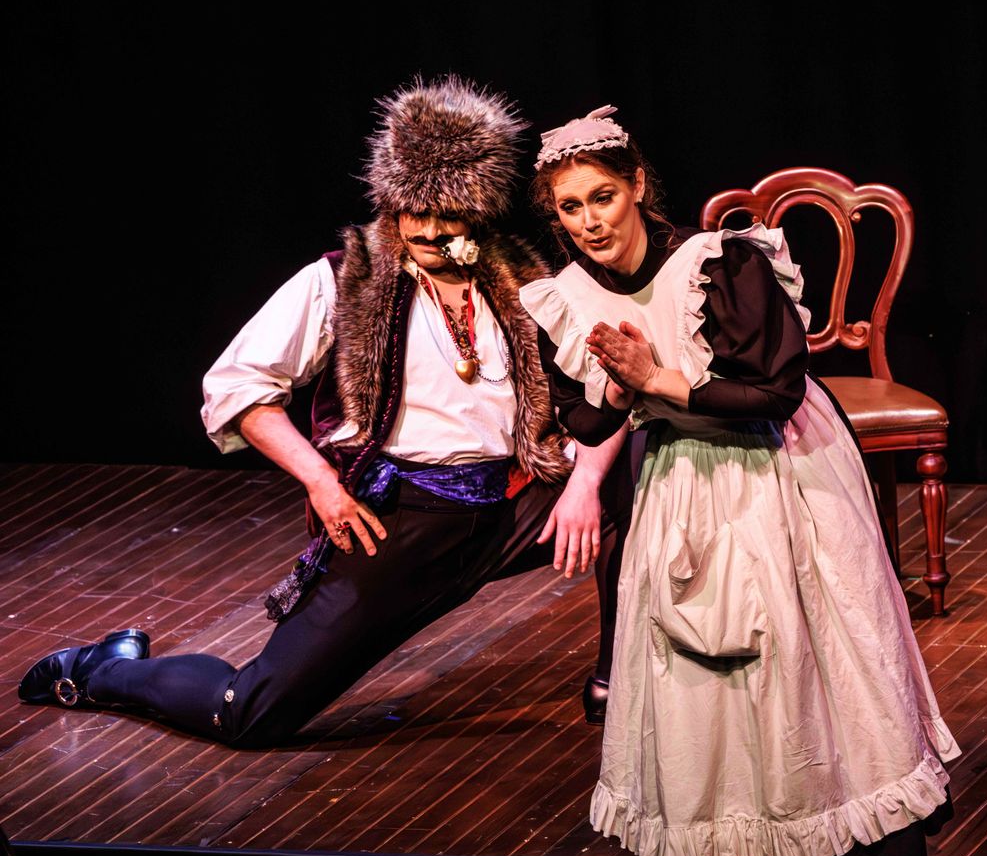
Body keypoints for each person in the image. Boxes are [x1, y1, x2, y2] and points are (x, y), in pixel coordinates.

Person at [19, 77, 629, 746]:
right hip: (397, 526)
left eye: (446, 212)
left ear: (478, 209)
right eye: (413, 210)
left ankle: (616, 677)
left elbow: (606, 390)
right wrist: (320, 482)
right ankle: (107, 669)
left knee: (635, 476)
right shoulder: (343, 279)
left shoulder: (523, 281)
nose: (429, 229)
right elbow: (237, 387)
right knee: (250, 713)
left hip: (509, 512)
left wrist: (584, 484)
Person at [519, 107, 958, 856]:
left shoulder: (717, 263)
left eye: (602, 197)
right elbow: (585, 418)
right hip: (682, 478)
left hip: (780, 467)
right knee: (704, 679)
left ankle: (846, 849)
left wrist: (658, 379)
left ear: (637, 185)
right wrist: (614, 386)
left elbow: (775, 391)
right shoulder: (571, 294)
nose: (589, 221)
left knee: (811, 657)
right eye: (571, 207)